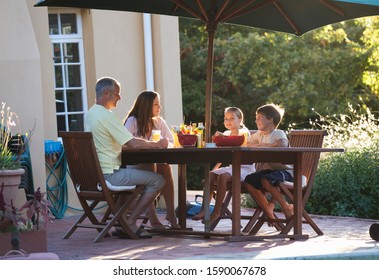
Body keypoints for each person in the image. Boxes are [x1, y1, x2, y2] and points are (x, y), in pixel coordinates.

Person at [85, 77, 169, 238]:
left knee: (144, 177)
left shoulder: (91, 114)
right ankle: (130, 222)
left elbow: (118, 142)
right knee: (158, 180)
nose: (119, 98)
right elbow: (133, 144)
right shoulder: (107, 117)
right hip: (110, 175)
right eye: (117, 94)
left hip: (95, 176)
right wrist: (158, 145)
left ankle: (120, 222)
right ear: (107, 93)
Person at [124, 90, 179, 229]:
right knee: (151, 168)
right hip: (135, 165)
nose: (159, 108)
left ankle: (171, 212)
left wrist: (167, 145)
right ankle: (154, 219)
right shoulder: (132, 121)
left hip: (153, 163)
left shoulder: (158, 122)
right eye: (156, 104)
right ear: (146, 105)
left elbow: (171, 141)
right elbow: (124, 143)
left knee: (165, 167)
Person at [192, 107, 255, 225]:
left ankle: (216, 212)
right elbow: (222, 154)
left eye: (232, 118)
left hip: (246, 169)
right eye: (226, 118)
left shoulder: (244, 133)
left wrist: (224, 140)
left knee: (223, 176)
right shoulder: (226, 133)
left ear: (240, 120)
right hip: (232, 167)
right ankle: (204, 210)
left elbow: (240, 146)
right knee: (210, 174)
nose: (228, 121)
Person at [244, 103, 294, 224]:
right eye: (256, 117)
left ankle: (286, 207)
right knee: (249, 181)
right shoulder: (259, 134)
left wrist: (261, 146)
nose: (256, 120)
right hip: (271, 171)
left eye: (259, 117)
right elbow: (246, 143)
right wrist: (258, 145)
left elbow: (282, 144)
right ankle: (267, 207)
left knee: (267, 180)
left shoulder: (278, 133)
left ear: (270, 119)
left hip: (287, 172)